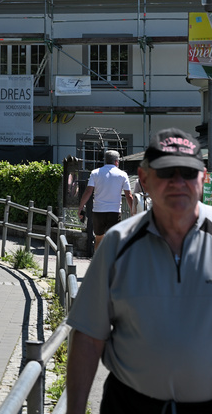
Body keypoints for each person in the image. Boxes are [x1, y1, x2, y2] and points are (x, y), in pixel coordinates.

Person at [66, 128, 212, 413]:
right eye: (166, 172)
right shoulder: (118, 243)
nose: (178, 182)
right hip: (130, 404)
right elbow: (87, 337)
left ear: (203, 177)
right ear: (144, 179)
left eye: (188, 172)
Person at [77, 149, 136, 251]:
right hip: (114, 211)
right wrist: (132, 211)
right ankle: (111, 263)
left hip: (98, 211)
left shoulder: (95, 173)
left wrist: (80, 208)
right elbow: (129, 195)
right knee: (113, 240)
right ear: (116, 161)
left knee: (99, 239)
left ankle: (97, 262)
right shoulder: (122, 175)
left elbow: (88, 192)